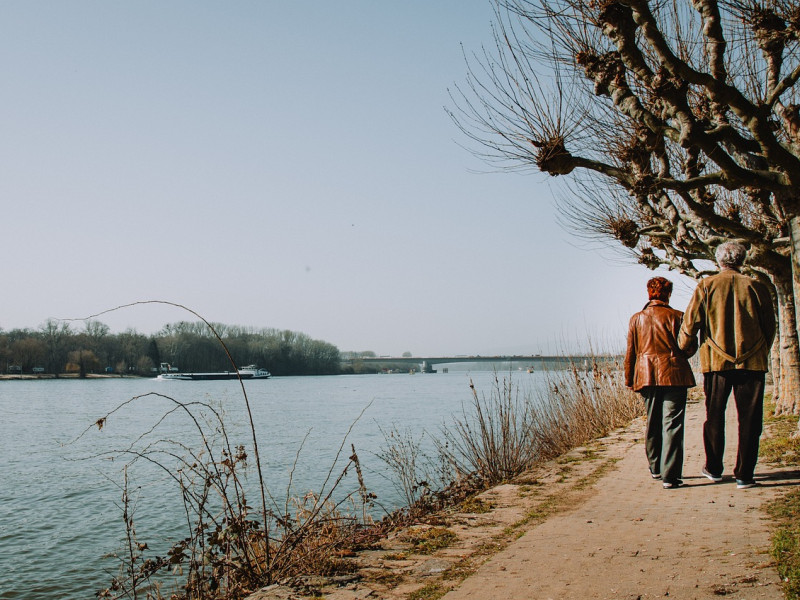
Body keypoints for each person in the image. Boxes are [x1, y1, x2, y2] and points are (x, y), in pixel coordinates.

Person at [678, 241, 776, 489]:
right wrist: (761, 350)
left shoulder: (706, 285)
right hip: (752, 363)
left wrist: (684, 348)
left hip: (715, 362)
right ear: (742, 260)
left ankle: (714, 468)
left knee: (714, 417)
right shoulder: (757, 286)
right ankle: (745, 475)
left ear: (719, 260)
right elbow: (770, 327)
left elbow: (690, 324)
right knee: (751, 420)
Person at [625, 276, 696, 489]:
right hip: (674, 375)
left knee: (652, 422)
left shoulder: (636, 319)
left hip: (646, 375)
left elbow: (630, 352)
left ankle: (655, 467)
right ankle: (671, 476)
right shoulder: (678, 316)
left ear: (649, 293)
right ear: (669, 294)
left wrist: (629, 378)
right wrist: (677, 354)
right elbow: (690, 347)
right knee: (672, 424)